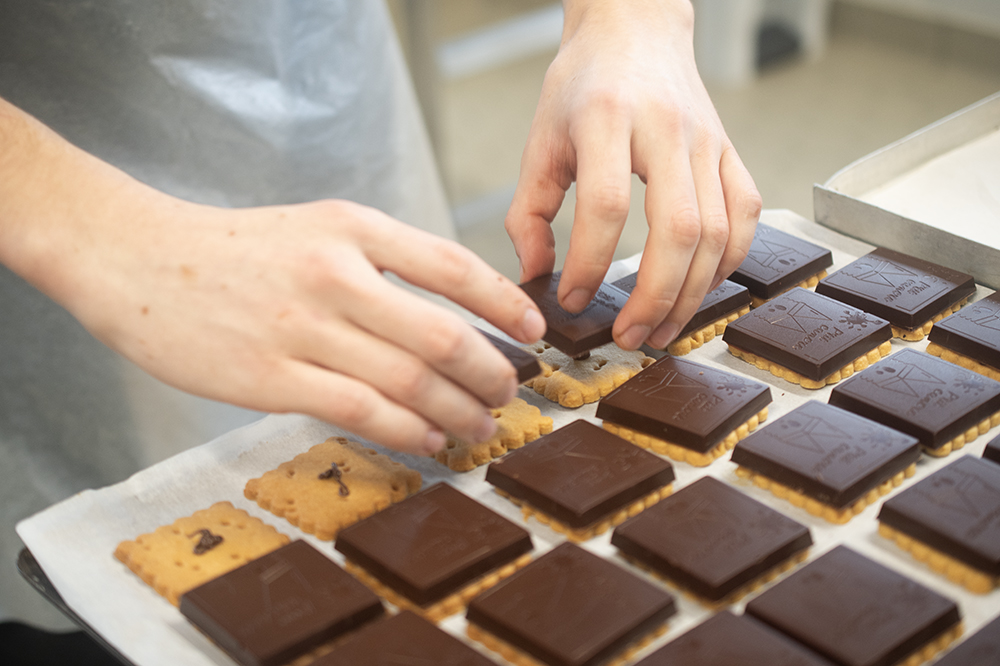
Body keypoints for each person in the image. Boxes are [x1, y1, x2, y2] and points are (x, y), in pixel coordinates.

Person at [0, 0, 759, 637]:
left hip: (327, 86)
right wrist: (104, 233)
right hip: (44, 218)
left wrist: (630, 21)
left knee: (435, 483)